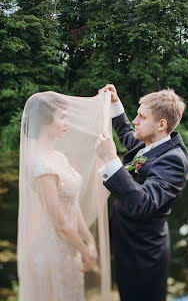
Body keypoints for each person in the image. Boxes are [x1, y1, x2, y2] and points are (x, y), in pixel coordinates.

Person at [96, 84, 188, 301]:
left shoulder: (173, 160)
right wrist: (115, 104)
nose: (135, 121)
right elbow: (128, 135)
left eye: (141, 117)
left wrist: (111, 159)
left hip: (143, 256)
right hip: (126, 244)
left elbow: (143, 203)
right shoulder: (151, 144)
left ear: (161, 124)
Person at [18, 91, 112, 301]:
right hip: (51, 253)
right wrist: (85, 250)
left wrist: (89, 240)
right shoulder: (41, 165)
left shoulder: (58, 157)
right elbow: (59, 222)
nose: (67, 123)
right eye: (62, 117)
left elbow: (72, 203)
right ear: (45, 121)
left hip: (69, 250)